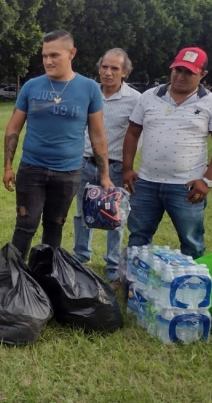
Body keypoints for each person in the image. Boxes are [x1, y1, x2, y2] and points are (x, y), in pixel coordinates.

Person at [3, 30, 112, 261]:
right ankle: (13, 278)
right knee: (25, 224)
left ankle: (45, 277)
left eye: (54, 55)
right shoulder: (31, 86)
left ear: (71, 53)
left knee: (54, 225)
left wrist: (104, 175)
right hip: (32, 168)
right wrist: (8, 166)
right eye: (44, 56)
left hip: (68, 172)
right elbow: (13, 128)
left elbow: (98, 135)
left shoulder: (89, 88)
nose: (48, 61)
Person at [123, 47, 212, 259]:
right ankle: (131, 282)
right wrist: (127, 168)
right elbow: (132, 133)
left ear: (203, 74)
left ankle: (195, 284)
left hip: (187, 187)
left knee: (191, 241)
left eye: (188, 72)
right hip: (146, 183)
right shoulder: (149, 97)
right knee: (138, 236)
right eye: (177, 70)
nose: (180, 76)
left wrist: (207, 181)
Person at [72, 48, 141, 289]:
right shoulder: (88, 93)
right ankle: (80, 257)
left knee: (116, 217)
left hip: (116, 167)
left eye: (114, 68)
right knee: (81, 213)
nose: (107, 72)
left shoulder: (135, 100)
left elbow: (137, 134)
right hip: (85, 163)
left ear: (125, 72)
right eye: (104, 67)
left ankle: (113, 267)